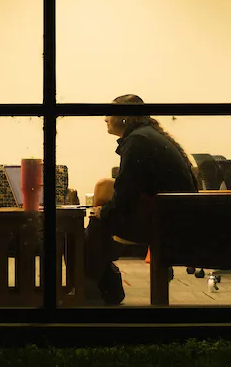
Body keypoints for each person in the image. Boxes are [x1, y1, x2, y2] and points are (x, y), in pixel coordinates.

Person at [84, 94, 199, 305]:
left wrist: (105, 212)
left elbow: (127, 191)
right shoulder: (147, 136)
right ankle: (103, 285)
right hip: (176, 214)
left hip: (167, 221)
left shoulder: (137, 141)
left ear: (124, 118)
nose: (105, 118)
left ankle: (94, 288)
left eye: (110, 113)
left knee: (96, 227)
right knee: (101, 212)